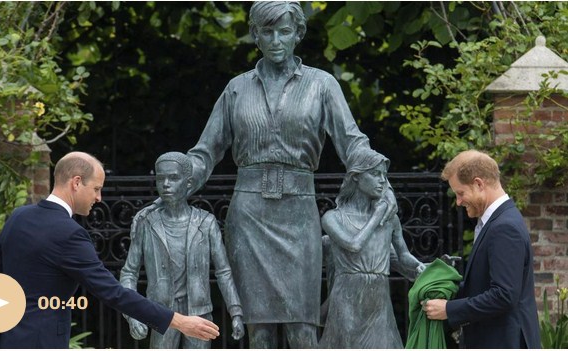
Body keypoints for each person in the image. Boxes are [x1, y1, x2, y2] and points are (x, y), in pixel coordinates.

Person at [153, 2, 399, 347]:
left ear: (298, 34)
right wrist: (180, 182)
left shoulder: (322, 85)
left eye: (284, 32)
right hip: (250, 216)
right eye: (267, 32)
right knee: (260, 329)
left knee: (303, 326)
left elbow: (352, 142)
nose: (276, 40)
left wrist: (378, 177)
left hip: (299, 213)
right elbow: (205, 152)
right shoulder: (237, 88)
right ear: (255, 35)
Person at [0, 152, 219, 348]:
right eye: (96, 188)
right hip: (41, 342)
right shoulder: (70, 233)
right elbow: (112, 292)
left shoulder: (18, 217)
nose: (99, 197)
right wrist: (178, 321)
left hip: (1, 339)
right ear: (76, 183)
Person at [119, 152, 245, 348]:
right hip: (161, 314)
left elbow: (223, 271)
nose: (166, 184)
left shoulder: (206, 223)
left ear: (188, 183)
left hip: (199, 313)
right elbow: (129, 272)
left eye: (174, 178)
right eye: (161, 178)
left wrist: (236, 312)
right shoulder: (147, 223)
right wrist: (132, 314)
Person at [423, 150, 541, 348]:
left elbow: (504, 295)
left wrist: (449, 310)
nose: (458, 202)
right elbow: (485, 286)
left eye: (460, 193)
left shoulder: (504, 227)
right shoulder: (495, 222)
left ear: (479, 184)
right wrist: (446, 291)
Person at [318, 148, 425, 348]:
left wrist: (424, 267)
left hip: (378, 299)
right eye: (375, 174)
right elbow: (353, 245)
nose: (382, 181)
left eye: (384, 175)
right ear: (356, 177)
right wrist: (376, 216)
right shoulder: (333, 218)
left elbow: (403, 257)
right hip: (347, 297)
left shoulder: (390, 220)